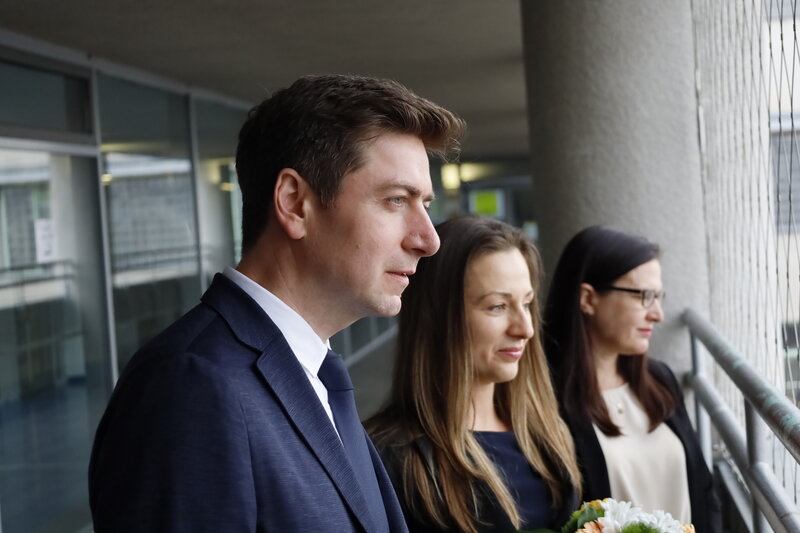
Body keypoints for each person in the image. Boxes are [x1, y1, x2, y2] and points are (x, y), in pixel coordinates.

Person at [88, 74, 465, 533]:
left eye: (425, 204)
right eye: (396, 200)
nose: (428, 240)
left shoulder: (314, 370)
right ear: (294, 202)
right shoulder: (190, 385)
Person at [366, 216, 582, 533]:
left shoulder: (548, 431)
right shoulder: (389, 458)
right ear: (438, 319)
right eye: (497, 306)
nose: (525, 329)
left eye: (526, 304)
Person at [542, 226, 721, 532]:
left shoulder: (660, 380)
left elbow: (705, 492)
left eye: (658, 297)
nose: (658, 314)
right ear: (588, 299)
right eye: (645, 297)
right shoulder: (545, 399)